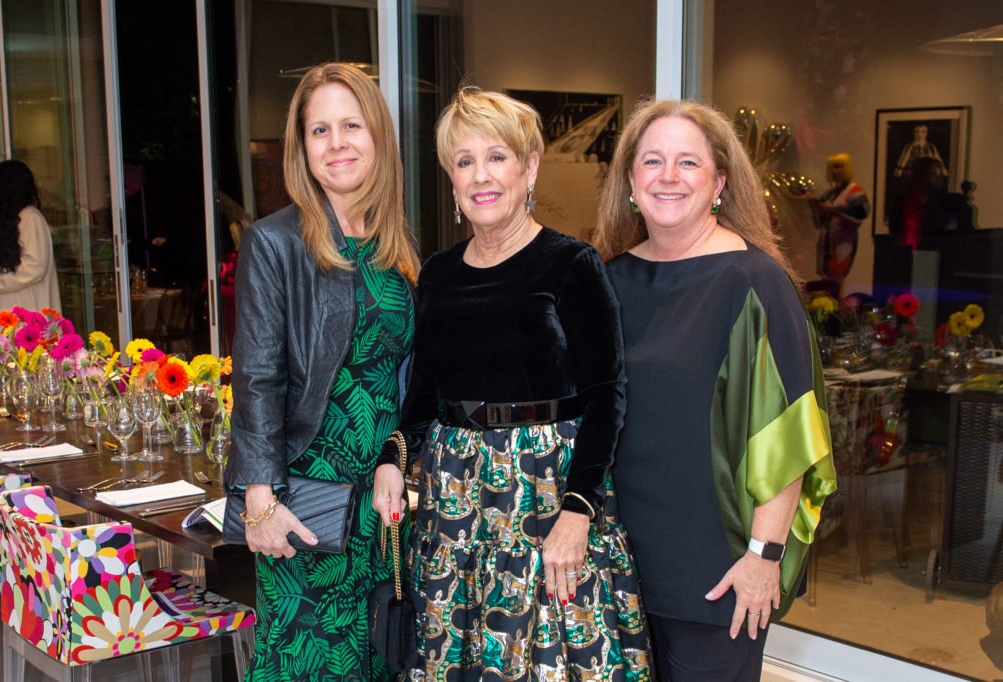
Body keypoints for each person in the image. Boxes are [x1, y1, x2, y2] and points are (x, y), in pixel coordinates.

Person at [372, 87, 652, 680]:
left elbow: (607, 396)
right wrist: (394, 459)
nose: (481, 176)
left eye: (496, 157)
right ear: (451, 180)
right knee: (459, 651)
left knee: (553, 655)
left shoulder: (571, 264)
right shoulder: (439, 273)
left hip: (545, 492)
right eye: (464, 161)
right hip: (454, 498)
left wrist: (577, 514)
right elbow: (424, 391)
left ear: (528, 168)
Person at [593, 100, 836, 681]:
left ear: (719, 182)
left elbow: (791, 434)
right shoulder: (608, 279)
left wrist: (764, 556)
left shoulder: (754, 282)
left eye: (687, 163)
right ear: (630, 180)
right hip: (615, 564)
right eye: (652, 161)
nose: (668, 176)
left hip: (719, 567)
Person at [224, 62, 420, 681]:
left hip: (385, 507)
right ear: (301, 149)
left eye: (351, 125)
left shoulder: (395, 246)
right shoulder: (274, 242)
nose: (337, 143)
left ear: (378, 137)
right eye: (319, 130)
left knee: (377, 658)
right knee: (310, 663)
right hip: (305, 508)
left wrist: (399, 456)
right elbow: (257, 376)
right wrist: (260, 500)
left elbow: (402, 378)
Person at [0, 160, 61, 323]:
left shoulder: (30, 218)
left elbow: (34, 268)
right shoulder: (2, 222)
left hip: (27, 315)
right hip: (3, 314)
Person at [808, 153, 870, 291]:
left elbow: (861, 215)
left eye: (838, 167)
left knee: (837, 281)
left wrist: (835, 210)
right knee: (826, 280)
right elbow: (820, 223)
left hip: (843, 241)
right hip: (827, 241)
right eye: (832, 167)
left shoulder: (855, 191)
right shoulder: (829, 192)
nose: (835, 171)